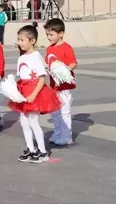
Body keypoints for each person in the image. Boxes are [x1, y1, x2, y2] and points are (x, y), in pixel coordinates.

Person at [9, 23, 61, 163]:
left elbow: (42, 78)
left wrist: (33, 95)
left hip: (34, 92)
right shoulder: (22, 57)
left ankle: (43, 152)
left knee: (33, 121)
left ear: (32, 41)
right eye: (18, 40)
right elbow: (21, 76)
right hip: (23, 91)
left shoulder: (36, 56)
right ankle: (30, 148)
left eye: (22, 40)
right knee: (24, 121)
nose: (19, 43)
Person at [44, 18, 78, 146]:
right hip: (53, 86)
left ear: (61, 33)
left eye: (51, 34)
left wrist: (64, 71)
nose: (49, 37)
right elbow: (48, 64)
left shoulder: (66, 47)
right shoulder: (49, 49)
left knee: (64, 111)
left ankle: (66, 135)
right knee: (55, 112)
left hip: (64, 86)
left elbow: (73, 63)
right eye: (47, 34)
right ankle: (58, 132)